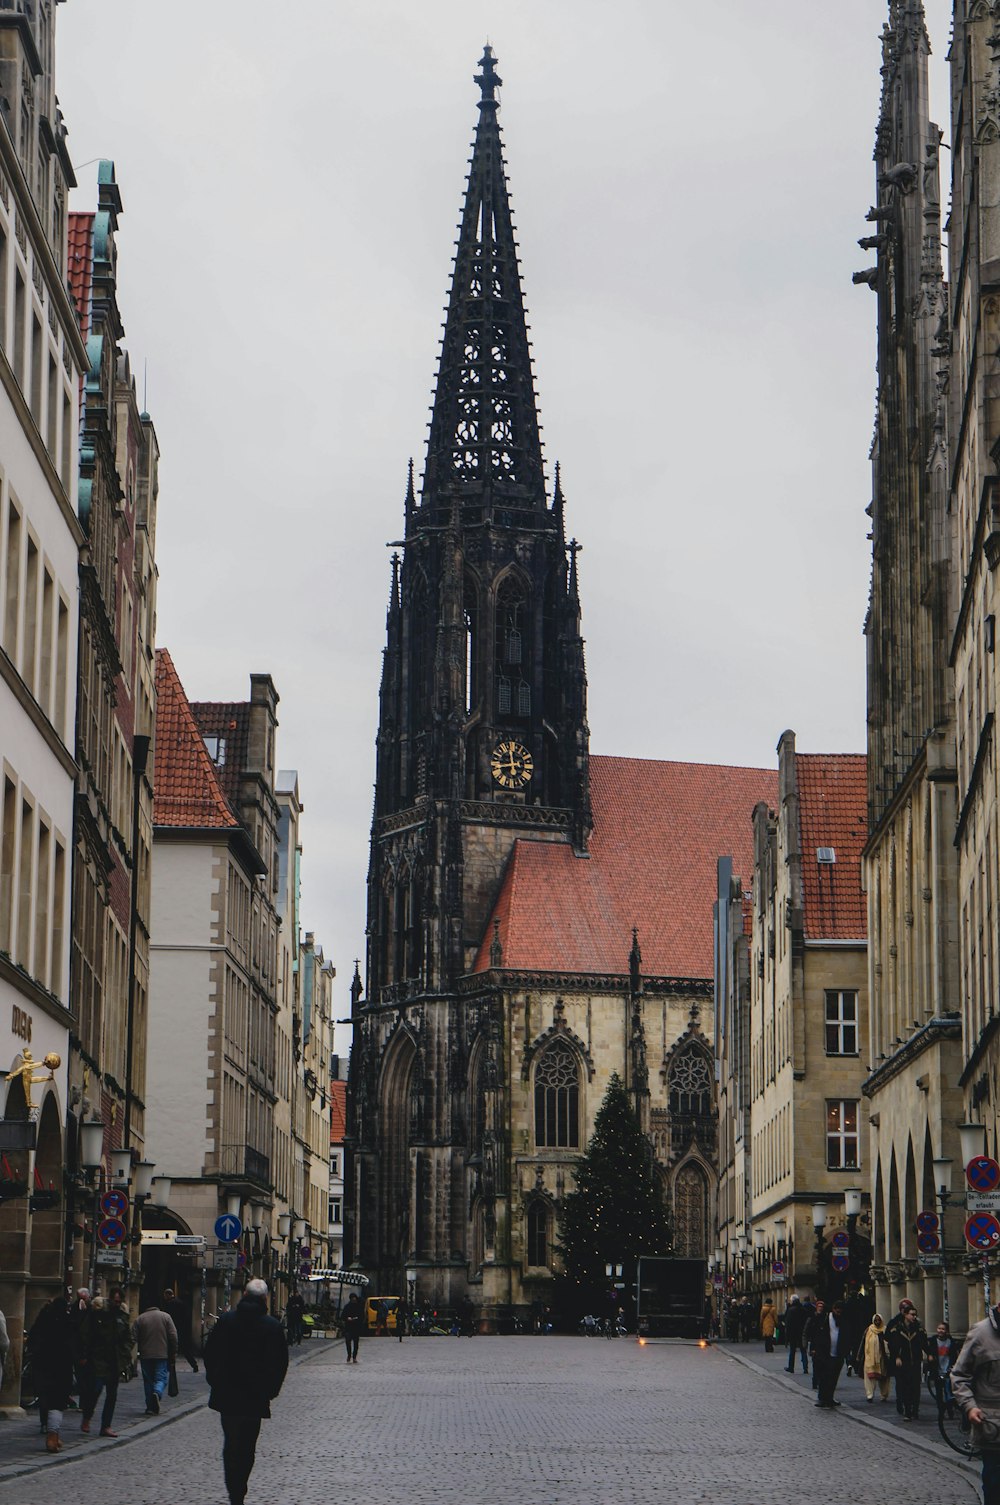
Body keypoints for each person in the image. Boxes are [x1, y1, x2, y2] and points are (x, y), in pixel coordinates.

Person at [204, 1278, 288, 1505]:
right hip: (255, 1398)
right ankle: (240, 1489)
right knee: (247, 1447)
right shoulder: (272, 1326)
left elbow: (210, 1353)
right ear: (264, 1298)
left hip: (228, 1396)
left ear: (244, 1295)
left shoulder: (226, 1321)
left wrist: (215, 1382)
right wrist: (270, 1391)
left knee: (231, 1444)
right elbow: (280, 1363)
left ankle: (234, 1492)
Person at [952, 1303, 1000, 1504]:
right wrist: (970, 1407)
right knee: (995, 1484)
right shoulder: (981, 1333)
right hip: (993, 1427)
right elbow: (959, 1376)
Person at [78, 1293, 132, 1437]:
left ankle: (106, 1426)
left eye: (119, 1301)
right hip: (98, 1359)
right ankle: (87, 1417)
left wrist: (125, 1354)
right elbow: (85, 1334)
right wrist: (84, 1354)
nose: (117, 1303)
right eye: (115, 1301)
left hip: (114, 1360)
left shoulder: (121, 1317)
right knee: (95, 1390)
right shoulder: (98, 1315)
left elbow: (127, 1337)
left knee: (112, 1395)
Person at [27, 1294, 74, 1451]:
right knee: (57, 1403)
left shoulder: (43, 1320)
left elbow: (32, 1339)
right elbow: (73, 1343)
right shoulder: (67, 1322)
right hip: (61, 1367)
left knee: (46, 1399)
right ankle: (52, 1436)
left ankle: (51, 1433)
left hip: (42, 1365)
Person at [133, 1298, 177, 1416]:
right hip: (162, 1354)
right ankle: (157, 1393)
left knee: (148, 1381)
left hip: (145, 1355)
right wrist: (173, 1351)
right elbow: (173, 1336)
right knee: (161, 1378)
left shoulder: (140, 1319)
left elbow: (133, 1338)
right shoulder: (166, 1317)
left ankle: (150, 1407)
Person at [886, 1304, 925, 1420]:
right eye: (912, 1315)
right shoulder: (897, 1329)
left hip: (916, 1361)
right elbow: (893, 1344)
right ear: (906, 1315)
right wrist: (897, 1357)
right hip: (904, 1362)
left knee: (916, 1387)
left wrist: (930, 1354)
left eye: (915, 1315)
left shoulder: (918, 1329)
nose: (914, 1317)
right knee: (905, 1386)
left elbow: (923, 1343)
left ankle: (915, 1409)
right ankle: (907, 1411)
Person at [810, 1299, 845, 1409]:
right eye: (837, 1312)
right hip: (824, 1352)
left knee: (834, 1377)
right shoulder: (825, 1318)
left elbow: (847, 1335)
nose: (839, 1314)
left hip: (838, 1353)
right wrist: (813, 1348)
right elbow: (815, 1333)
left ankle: (829, 1398)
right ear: (833, 1310)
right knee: (824, 1376)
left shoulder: (843, 1320)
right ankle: (822, 1398)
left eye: (841, 1312)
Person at [926, 1320, 960, 1419]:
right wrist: (930, 1357)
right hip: (937, 1370)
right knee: (939, 1393)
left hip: (948, 1370)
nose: (940, 1331)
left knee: (948, 1392)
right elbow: (929, 1352)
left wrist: (952, 1367)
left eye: (943, 1329)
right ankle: (941, 1412)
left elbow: (954, 1355)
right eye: (939, 1329)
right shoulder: (933, 1341)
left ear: (947, 1331)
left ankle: (950, 1411)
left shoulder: (951, 1342)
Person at [857, 1312, 890, 1403]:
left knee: (884, 1378)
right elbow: (863, 1343)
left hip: (883, 1358)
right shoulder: (869, 1330)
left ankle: (884, 1395)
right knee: (869, 1377)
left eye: (879, 1320)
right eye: (875, 1320)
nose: (877, 1322)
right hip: (869, 1358)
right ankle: (869, 1395)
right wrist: (858, 1356)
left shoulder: (885, 1330)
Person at [164, 1287, 199, 1373]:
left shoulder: (169, 1304)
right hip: (182, 1329)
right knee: (186, 1350)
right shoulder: (181, 1303)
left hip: (173, 1329)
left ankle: (170, 1366)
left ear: (168, 1295)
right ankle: (194, 1365)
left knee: (170, 1348)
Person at [783, 1296, 808, 1374]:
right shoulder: (803, 1310)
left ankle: (791, 1367)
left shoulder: (791, 1310)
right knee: (803, 1350)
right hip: (801, 1332)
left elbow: (788, 1323)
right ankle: (805, 1367)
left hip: (793, 1333)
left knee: (792, 1351)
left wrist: (787, 1337)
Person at [341, 1292, 364, 1364]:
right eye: (352, 1299)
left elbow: (362, 1316)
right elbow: (343, 1316)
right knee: (348, 1342)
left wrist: (357, 1319)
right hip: (348, 1327)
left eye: (355, 1299)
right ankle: (349, 1355)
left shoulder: (359, 1307)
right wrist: (348, 1319)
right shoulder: (347, 1307)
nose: (354, 1300)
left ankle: (354, 1357)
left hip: (356, 1327)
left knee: (356, 1343)